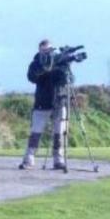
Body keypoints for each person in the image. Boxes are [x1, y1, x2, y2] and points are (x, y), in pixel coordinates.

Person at [19, 39, 72, 172]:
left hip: (59, 101)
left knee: (59, 132)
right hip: (42, 102)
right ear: (40, 51)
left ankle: (58, 159)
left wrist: (64, 70)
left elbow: (70, 79)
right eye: (45, 50)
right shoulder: (35, 64)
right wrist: (44, 67)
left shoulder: (60, 62)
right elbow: (32, 77)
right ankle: (29, 158)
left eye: (50, 50)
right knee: (36, 132)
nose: (48, 53)